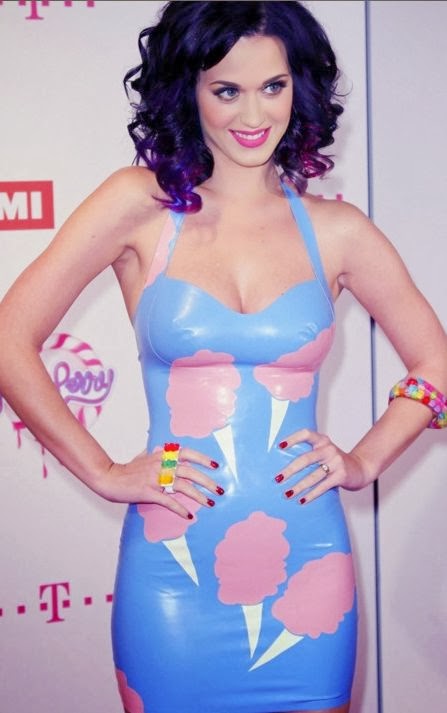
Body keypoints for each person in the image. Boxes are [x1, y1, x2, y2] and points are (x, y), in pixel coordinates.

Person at [0, 1, 446, 711]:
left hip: (308, 562)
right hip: (172, 567)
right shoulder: (138, 205)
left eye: (273, 86)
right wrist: (105, 472)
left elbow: (435, 364)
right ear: (190, 89)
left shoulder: (337, 230)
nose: (254, 113)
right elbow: (9, 338)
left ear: (299, 86)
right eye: (227, 89)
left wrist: (364, 461)